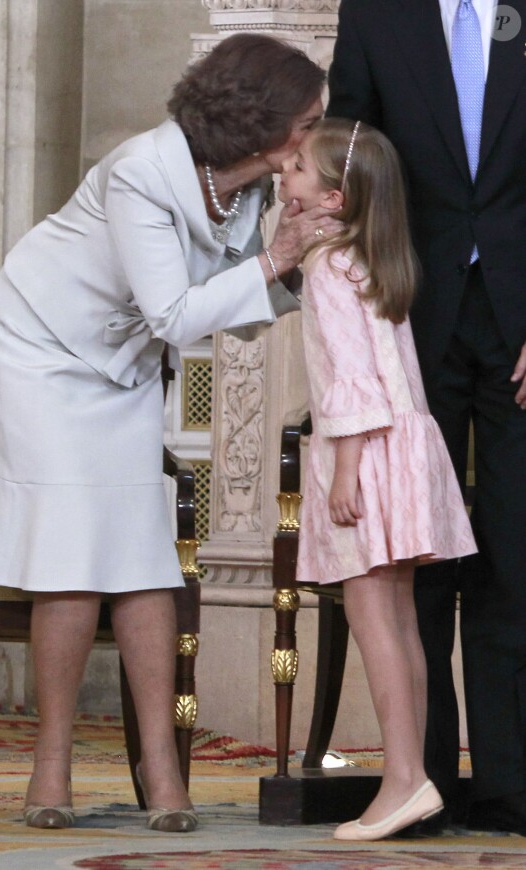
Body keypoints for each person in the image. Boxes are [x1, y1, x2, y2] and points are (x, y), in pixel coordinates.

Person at [0, 33, 335, 832]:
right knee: (70, 547)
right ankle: (50, 768)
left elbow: (230, 315)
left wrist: (293, 262)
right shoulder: (142, 170)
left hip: (123, 361)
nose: (318, 131)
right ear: (266, 123)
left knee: (139, 549)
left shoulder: (251, 188)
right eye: (310, 119)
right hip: (43, 346)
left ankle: (162, 771)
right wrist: (276, 263)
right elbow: (174, 312)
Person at [326, 0, 526, 835]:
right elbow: (346, 153)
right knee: (422, 557)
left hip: (518, 321)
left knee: (516, 551)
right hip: (407, 314)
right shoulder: (376, 10)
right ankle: (426, 780)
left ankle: (513, 782)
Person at [282, 117, 477, 841]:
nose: (285, 175)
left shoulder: (327, 267)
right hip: (406, 449)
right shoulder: (368, 257)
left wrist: (346, 474)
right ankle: (412, 775)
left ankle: (402, 780)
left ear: (336, 197)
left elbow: (355, 381)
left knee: (377, 624)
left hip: (366, 455)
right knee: (400, 624)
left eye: (298, 168)